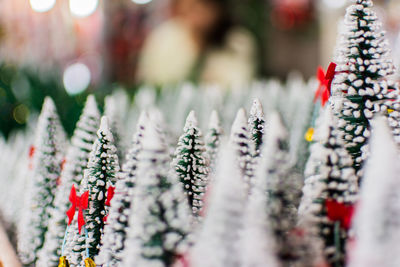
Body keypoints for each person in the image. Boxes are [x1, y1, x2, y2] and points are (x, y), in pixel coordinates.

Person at [137, 0, 257, 89]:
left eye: (204, 6)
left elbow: (242, 84)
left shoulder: (238, 42)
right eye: (192, 7)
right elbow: (151, 80)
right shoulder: (164, 38)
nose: (198, 14)